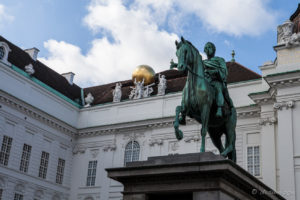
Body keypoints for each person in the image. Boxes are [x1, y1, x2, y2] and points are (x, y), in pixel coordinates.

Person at [203, 42, 233, 117]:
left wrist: (216, 72)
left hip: (216, 80)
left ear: (214, 50)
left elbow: (224, 71)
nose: (207, 49)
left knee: (218, 88)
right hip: (206, 81)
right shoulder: (203, 62)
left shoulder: (220, 60)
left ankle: (219, 108)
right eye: (206, 48)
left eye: (209, 47)